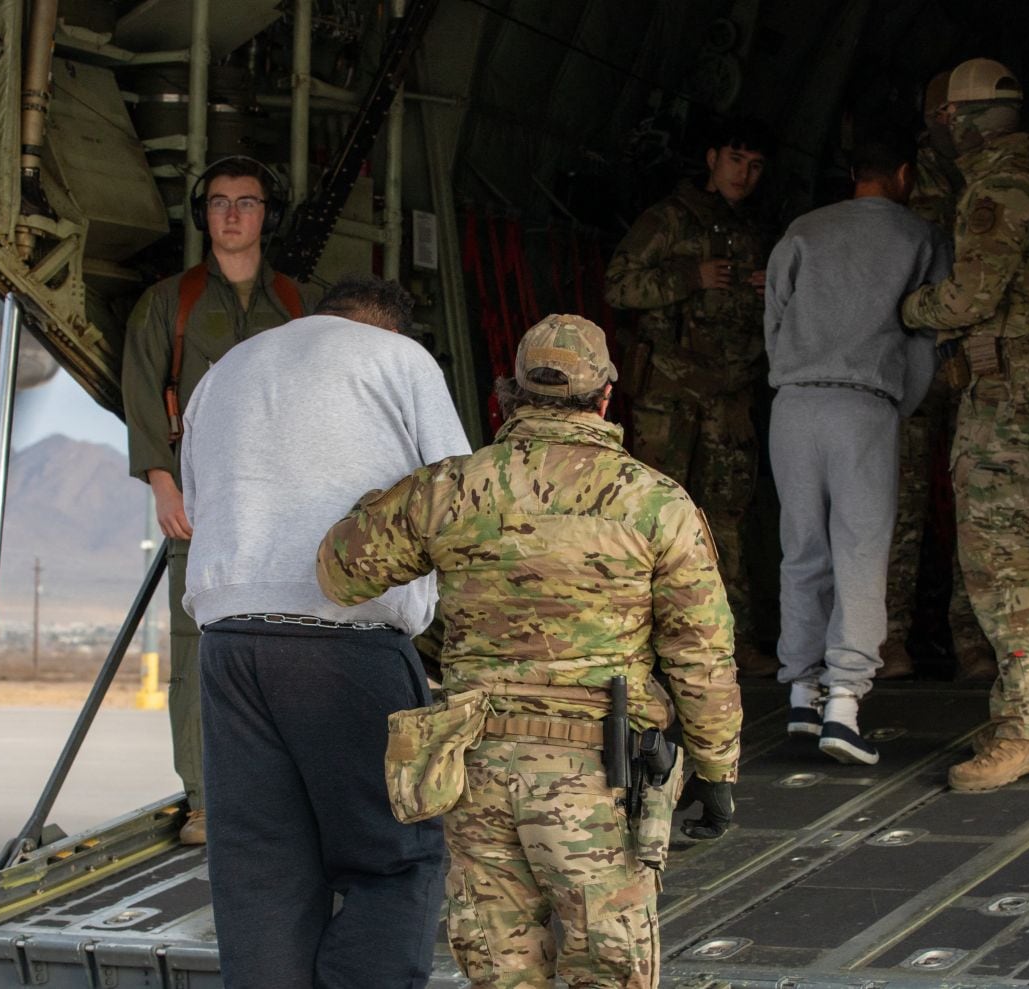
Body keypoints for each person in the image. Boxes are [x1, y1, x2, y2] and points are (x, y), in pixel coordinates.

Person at [317, 315, 742, 989]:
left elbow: (341, 570)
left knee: (501, 972)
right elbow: (701, 654)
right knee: (609, 972)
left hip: (475, 767)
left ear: (508, 394)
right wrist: (716, 768)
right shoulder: (658, 503)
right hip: (599, 776)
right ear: (606, 397)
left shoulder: (451, 489)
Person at [180, 276, 469, 987]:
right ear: (390, 328)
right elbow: (461, 500)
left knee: (259, 876)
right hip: (346, 641)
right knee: (396, 856)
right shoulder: (399, 361)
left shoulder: (226, 372)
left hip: (230, 642)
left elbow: (196, 500)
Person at [901, 58, 1029, 791]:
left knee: (995, 555)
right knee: (1004, 549)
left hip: (1007, 390)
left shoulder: (997, 189)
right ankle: (1022, 704)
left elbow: (966, 298)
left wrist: (908, 308)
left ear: (956, 120)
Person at [121, 155, 320, 844]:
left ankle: (280, 786)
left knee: (289, 641)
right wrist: (161, 479)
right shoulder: (168, 303)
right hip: (202, 502)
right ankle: (206, 796)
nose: (233, 214)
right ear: (203, 214)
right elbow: (144, 390)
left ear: (268, 215)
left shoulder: (298, 305)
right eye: (219, 202)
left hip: (284, 502)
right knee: (197, 649)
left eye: (248, 202)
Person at [763, 132, 951, 764]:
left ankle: (800, 692)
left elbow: (775, 317)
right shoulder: (919, 237)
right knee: (861, 553)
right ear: (902, 173)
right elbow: (927, 336)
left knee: (802, 550)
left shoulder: (804, 230)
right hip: (862, 405)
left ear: (852, 175)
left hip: (792, 404)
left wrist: (793, 373)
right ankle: (844, 703)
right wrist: (897, 403)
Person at [605, 116, 776, 678]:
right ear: (711, 158)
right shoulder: (670, 219)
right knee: (654, 518)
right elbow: (620, 285)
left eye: (754, 166)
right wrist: (690, 276)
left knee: (728, 518)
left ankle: (732, 641)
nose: (743, 175)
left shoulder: (755, 232)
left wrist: (769, 287)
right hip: (671, 395)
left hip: (728, 395)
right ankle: (640, 647)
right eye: (734, 160)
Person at [883, 71, 998, 682]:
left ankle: (973, 639)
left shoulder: (993, 175)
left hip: (977, 361)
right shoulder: (909, 180)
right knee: (901, 502)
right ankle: (889, 637)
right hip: (918, 359)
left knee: (976, 506)